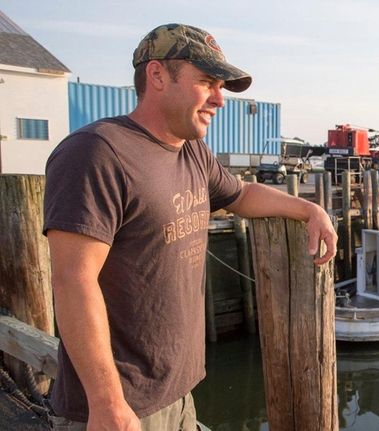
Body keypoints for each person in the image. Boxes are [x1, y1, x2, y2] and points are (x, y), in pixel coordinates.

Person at [43, 24, 337, 430]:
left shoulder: (193, 151)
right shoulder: (96, 152)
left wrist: (308, 209)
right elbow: (73, 281)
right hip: (119, 408)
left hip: (179, 393)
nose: (219, 99)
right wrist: (107, 403)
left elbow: (241, 195)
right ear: (158, 75)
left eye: (221, 86)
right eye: (206, 82)